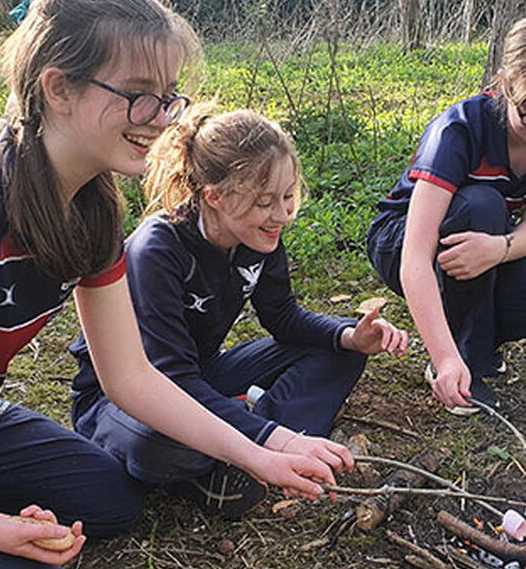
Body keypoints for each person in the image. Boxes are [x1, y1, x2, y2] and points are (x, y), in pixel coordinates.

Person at [0, 0, 348, 569]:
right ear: (58, 88)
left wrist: (259, 451)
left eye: (169, 96)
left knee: (111, 499)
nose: (163, 119)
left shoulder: (92, 209)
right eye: (139, 96)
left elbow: (131, 378)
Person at [69, 105, 408, 517]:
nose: (282, 214)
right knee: (168, 445)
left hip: (201, 377)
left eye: (287, 197)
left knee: (341, 351)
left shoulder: (259, 234)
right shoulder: (157, 250)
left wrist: (350, 336)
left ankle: (250, 453)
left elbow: (282, 317)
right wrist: (268, 435)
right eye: (266, 202)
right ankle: (249, 449)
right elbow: (168, 377)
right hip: (126, 400)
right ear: (215, 196)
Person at [367, 9, 526, 415]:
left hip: (484, 238)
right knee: (482, 204)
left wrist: (498, 249)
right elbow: (415, 259)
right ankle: (463, 357)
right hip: (401, 241)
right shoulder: (458, 131)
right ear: (505, 85)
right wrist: (444, 358)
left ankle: (478, 337)